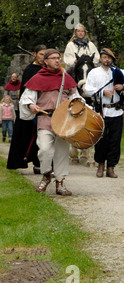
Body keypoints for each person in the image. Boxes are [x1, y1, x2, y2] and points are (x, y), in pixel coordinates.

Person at [19, 48, 83, 196]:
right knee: (44, 150)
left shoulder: (66, 78)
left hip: (63, 121)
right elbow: (27, 98)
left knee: (61, 152)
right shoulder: (37, 78)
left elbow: (76, 97)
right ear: (45, 61)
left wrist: (78, 108)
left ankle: (60, 183)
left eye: (58, 58)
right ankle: (47, 174)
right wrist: (31, 106)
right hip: (45, 119)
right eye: (53, 58)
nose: (56, 60)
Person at [84, 48, 124, 178]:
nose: (106, 60)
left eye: (109, 58)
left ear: (112, 59)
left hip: (116, 111)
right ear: (100, 58)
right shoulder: (94, 73)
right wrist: (102, 92)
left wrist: (122, 87)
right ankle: (100, 165)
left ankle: (111, 167)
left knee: (115, 140)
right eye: (104, 57)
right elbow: (88, 90)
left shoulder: (120, 72)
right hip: (100, 111)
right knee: (101, 140)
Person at [64, 23, 100, 167]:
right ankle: (68, 95)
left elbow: (97, 58)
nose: (80, 33)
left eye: (82, 31)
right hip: (75, 71)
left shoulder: (90, 45)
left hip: (88, 70)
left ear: (85, 32)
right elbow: (66, 59)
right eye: (78, 31)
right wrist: (74, 60)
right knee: (67, 78)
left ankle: (88, 152)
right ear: (75, 32)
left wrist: (89, 59)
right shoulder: (70, 45)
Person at [7, 44, 47, 173]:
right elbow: (26, 90)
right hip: (32, 107)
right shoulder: (30, 70)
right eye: (41, 54)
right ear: (34, 54)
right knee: (30, 136)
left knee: (43, 137)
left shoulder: (48, 69)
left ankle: (40, 163)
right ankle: (34, 162)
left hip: (46, 108)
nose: (43, 57)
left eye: (45, 55)